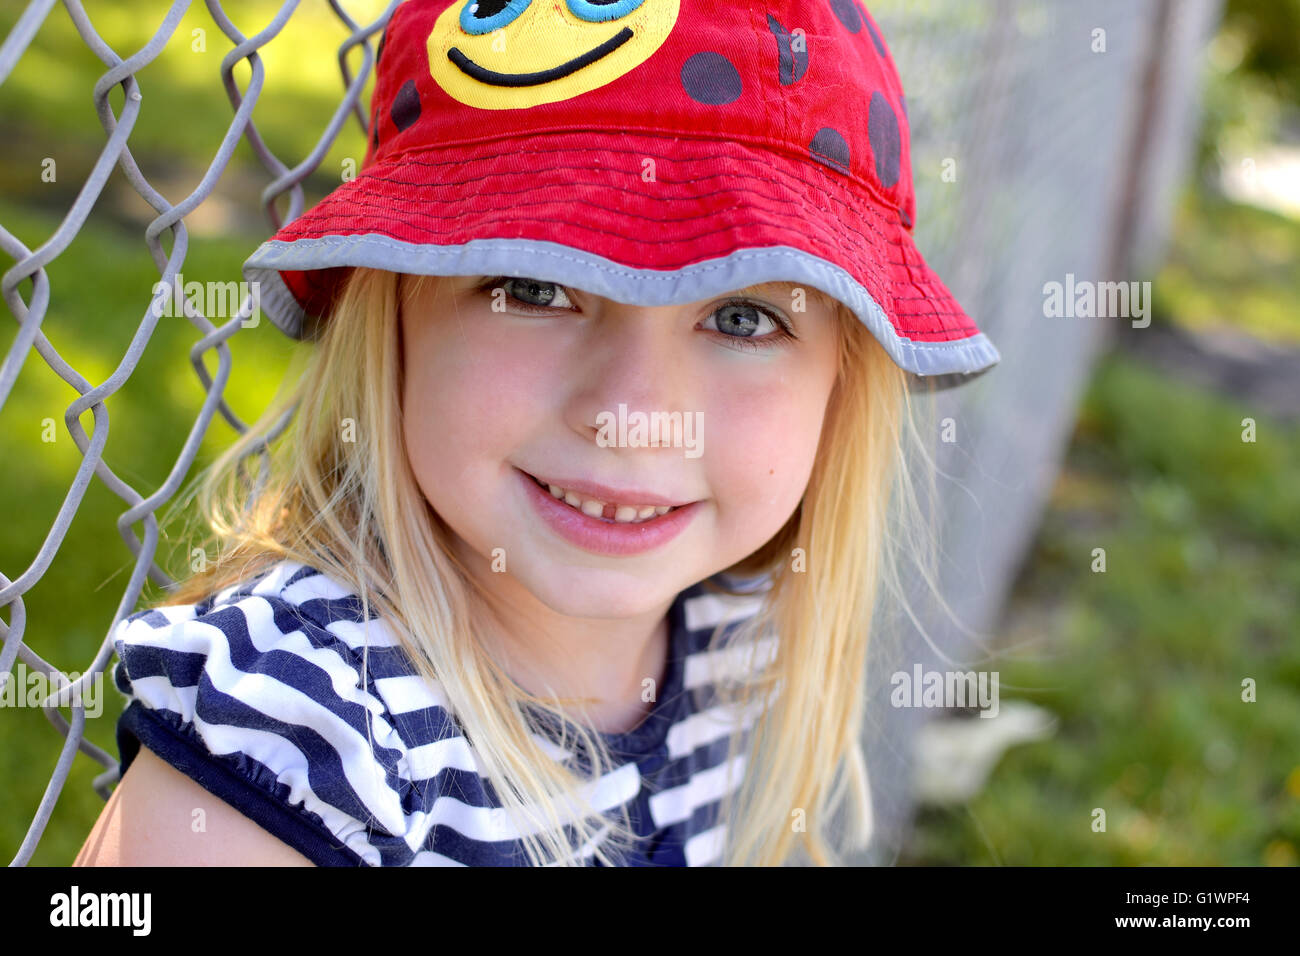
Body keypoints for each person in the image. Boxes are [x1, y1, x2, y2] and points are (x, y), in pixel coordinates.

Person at [76, 0, 999, 867]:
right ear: (389, 311)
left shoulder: (726, 631)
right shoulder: (297, 734)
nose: (634, 415)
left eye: (746, 318)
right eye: (534, 288)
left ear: (845, 378)